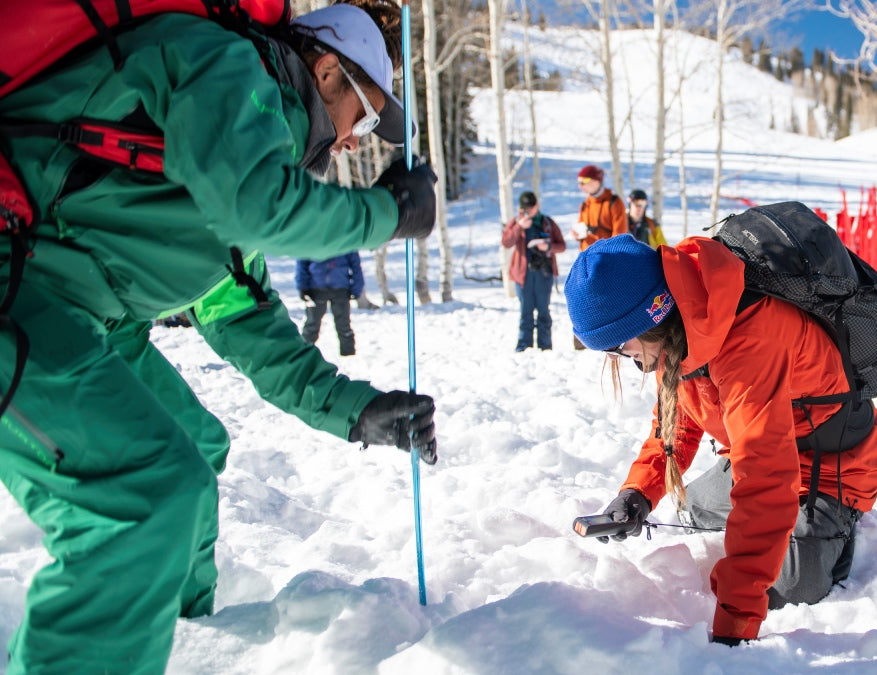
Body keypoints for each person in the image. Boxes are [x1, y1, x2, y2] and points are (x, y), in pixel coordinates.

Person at [0, 3, 439, 672]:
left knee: (196, 449)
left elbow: (249, 323)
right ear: (327, 72)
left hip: (69, 307)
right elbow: (259, 208)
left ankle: (178, 634)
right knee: (145, 493)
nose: (356, 141)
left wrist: (358, 410)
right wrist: (391, 212)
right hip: (19, 282)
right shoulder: (225, 66)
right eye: (367, 115)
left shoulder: (236, 150)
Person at [564, 234, 877, 646]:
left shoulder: (750, 339)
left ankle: (838, 524)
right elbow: (677, 425)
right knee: (689, 508)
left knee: (790, 589)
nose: (620, 357)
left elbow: (765, 480)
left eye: (617, 345)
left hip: (829, 467)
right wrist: (637, 494)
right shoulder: (685, 323)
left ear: (648, 318)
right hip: (758, 450)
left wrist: (734, 625)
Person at [501, 191, 566, 352]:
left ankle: (545, 346)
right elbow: (506, 242)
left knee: (544, 311)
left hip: (544, 273)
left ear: (536, 206)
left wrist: (548, 246)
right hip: (524, 274)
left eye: (530, 208)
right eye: (524, 208)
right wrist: (519, 227)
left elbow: (562, 245)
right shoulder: (516, 223)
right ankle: (524, 346)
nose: (527, 211)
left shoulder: (547, 222)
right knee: (526, 311)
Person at [570, 164, 626, 349]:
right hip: (585, 260)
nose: (580, 186)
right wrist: (578, 233)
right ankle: (582, 341)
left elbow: (619, 236)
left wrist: (593, 237)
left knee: (607, 302)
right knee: (582, 300)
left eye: (583, 182)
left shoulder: (614, 202)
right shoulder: (585, 204)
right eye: (578, 183)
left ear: (596, 180)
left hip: (607, 261)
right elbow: (582, 226)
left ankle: (611, 339)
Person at [297, 252, 367, 356]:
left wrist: (356, 288)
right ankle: (303, 356)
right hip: (316, 289)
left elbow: (355, 265)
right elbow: (302, 262)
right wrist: (303, 287)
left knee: (344, 326)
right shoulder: (312, 237)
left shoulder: (344, 237)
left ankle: (349, 356)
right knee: (311, 326)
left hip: (340, 288)